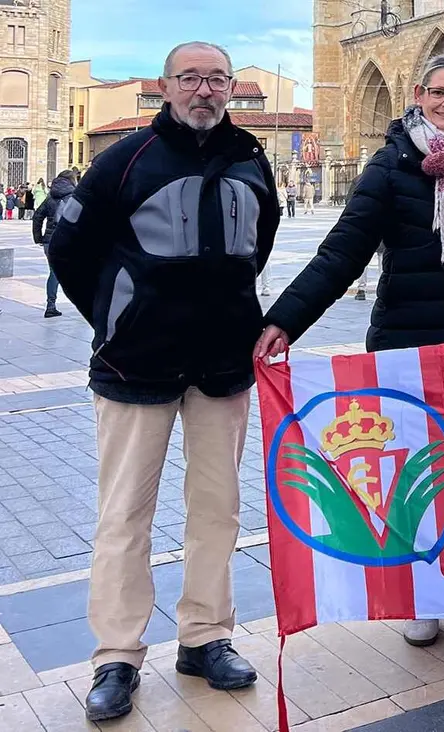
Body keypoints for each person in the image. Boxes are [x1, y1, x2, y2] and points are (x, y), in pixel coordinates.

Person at [253, 54, 444, 646]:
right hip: (408, 346)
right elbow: (343, 252)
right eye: (438, 93)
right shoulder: (391, 166)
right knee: (418, 476)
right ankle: (424, 599)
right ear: (418, 95)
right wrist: (286, 319)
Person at [47, 41, 278, 721]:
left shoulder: (250, 159)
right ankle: (116, 655)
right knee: (124, 516)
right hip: (134, 364)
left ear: (230, 87)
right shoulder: (125, 161)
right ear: (165, 86)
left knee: (218, 511)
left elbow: (257, 244)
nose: (203, 90)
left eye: (216, 79)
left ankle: (205, 637)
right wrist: (118, 318)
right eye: (190, 78)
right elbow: (70, 247)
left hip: (223, 365)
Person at [31, 170, 77, 318]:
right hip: (67, 240)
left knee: (54, 273)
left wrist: (38, 237)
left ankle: (51, 305)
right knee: (78, 271)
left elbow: (37, 216)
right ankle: (83, 303)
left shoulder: (50, 196)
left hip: (49, 241)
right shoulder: (75, 195)